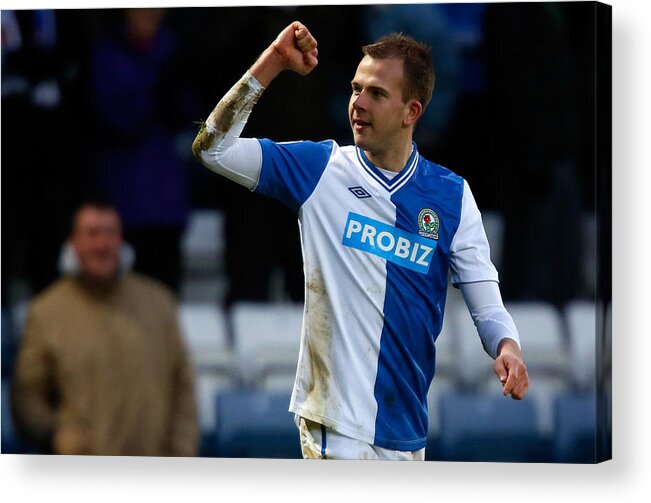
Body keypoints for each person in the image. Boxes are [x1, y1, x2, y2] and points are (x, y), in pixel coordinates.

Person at [192, 21, 528, 461]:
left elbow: (487, 304)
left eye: (376, 94)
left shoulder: (451, 196)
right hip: (335, 426)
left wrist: (508, 348)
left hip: (407, 432)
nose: (358, 104)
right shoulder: (319, 169)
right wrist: (273, 62)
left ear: (412, 112)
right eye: (355, 89)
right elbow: (211, 149)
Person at [11, 198, 199, 456]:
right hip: (82, 479)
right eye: (92, 233)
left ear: (121, 240)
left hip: (155, 476)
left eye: (110, 233)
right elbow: (27, 394)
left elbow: (183, 387)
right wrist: (55, 434)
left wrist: (181, 452)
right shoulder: (46, 312)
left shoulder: (158, 303)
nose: (102, 244)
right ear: (73, 242)